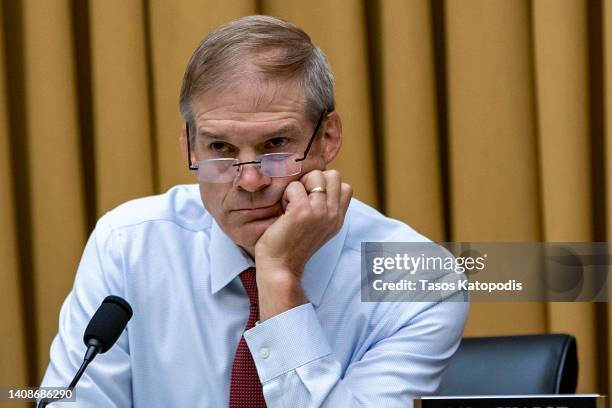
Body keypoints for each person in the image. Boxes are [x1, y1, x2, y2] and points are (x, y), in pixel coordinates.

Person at [40, 15, 468, 407]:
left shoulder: (420, 279)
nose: (249, 181)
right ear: (190, 146)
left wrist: (280, 277)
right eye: (220, 149)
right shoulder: (128, 244)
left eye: (276, 146)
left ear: (328, 139)